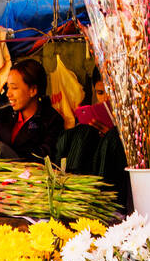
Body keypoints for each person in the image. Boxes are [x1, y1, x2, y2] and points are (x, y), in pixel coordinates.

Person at [55, 68, 128, 206]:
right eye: (100, 93)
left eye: (111, 92)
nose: (105, 98)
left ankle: (101, 202)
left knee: (113, 137)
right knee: (82, 131)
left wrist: (112, 135)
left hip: (116, 178)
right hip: (93, 164)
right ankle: (71, 190)